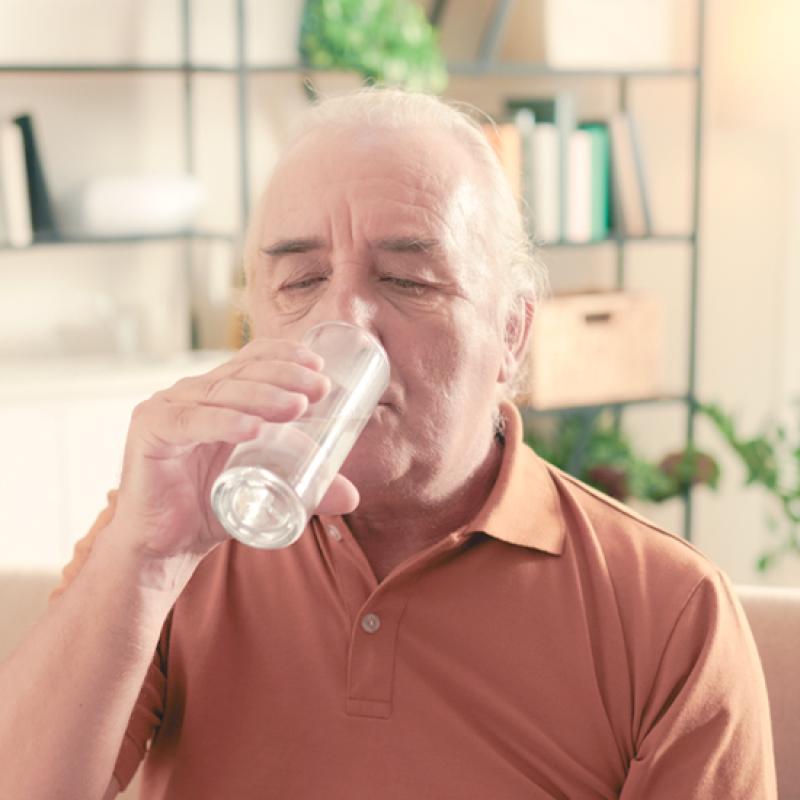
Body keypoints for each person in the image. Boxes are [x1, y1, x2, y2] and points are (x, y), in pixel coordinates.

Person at [0, 88, 776, 800]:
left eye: (407, 282)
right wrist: (147, 559)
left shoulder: (668, 610)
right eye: (300, 282)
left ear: (511, 334)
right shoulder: (170, 532)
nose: (344, 325)